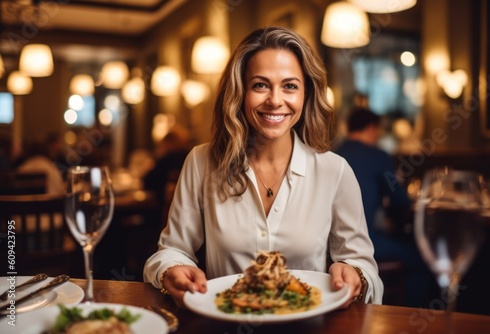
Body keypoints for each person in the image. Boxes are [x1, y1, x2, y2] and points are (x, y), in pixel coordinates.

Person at [144, 26, 384, 307]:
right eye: (260, 85)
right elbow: (172, 250)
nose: (275, 100)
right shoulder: (201, 161)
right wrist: (170, 270)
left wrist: (355, 275)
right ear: (240, 92)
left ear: (306, 94)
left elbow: (364, 268)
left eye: (290, 86)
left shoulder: (336, 170)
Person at [335, 107, 431, 307]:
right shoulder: (377, 156)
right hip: (364, 242)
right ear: (371, 128)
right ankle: (406, 315)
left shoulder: (332, 153)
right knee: (421, 257)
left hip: (330, 248)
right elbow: (400, 203)